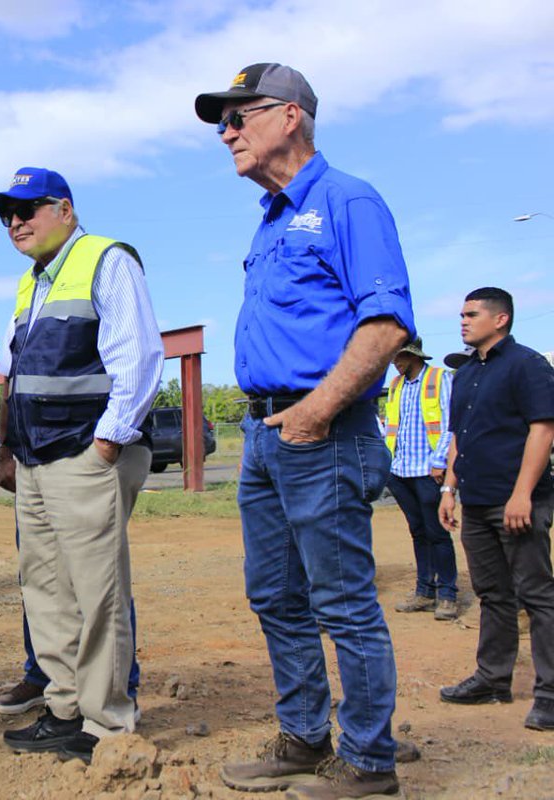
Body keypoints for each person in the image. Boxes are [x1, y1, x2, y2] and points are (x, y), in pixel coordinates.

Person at [195, 63, 414, 799]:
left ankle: (369, 762)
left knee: (343, 601)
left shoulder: (347, 200)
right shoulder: (272, 218)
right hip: (265, 435)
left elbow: (384, 325)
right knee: (276, 597)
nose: (227, 133)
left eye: (238, 116)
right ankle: (304, 738)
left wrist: (317, 411)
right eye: (222, 122)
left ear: (290, 115)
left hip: (323, 433)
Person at [0, 167, 162, 764]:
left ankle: (106, 721)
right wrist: (10, 449)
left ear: (64, 208)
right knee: (46, 590)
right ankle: (63, 709)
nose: (16, 222)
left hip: (84, 456)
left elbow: (138, 357)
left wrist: (105, 447)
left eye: (28, 209)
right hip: (35, 461)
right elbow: (18, 376)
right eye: (8, 214)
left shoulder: (106, 260)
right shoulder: (29, 283)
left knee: (97, 594)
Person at [438, 287, 554, 731]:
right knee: (493, 594)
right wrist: (449, 489)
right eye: (462, 314)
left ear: (500, 319)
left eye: (471, 314)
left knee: (537, 596)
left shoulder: (527, 365)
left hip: (518, 502)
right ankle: (492, 679)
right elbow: (459, 438)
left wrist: (522, 493)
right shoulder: (465, 373)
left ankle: (549, 694)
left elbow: (543, 430)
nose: (463, 321)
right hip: (477, 499)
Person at [384, 337, 459, 620]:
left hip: (429, 471)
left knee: (437, 533)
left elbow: (451, 424)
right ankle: (424, 591)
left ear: (413, 355)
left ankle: (448, 594)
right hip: (400, 471)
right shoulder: (395, 385)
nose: (394, 362)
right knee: (418, 532)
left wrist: (440, 461)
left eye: (398, 356)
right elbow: (392, 426)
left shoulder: (440, 379)